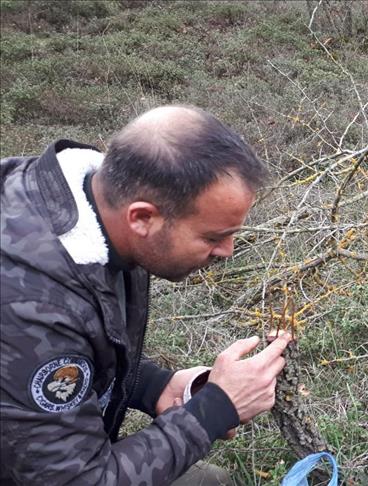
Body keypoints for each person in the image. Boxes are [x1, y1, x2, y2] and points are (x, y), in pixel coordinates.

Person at [1, 105, 292, 485]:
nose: (227, 251)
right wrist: (213, 411)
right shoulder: (32, 303)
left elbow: (78, 349)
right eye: (212, 237)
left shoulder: (96, 207)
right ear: (142, 218)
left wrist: (154, 385)